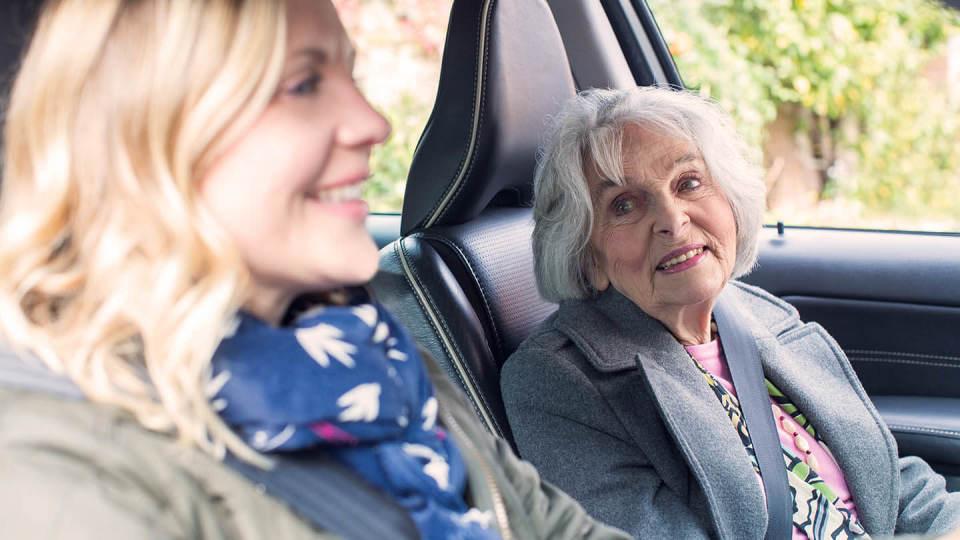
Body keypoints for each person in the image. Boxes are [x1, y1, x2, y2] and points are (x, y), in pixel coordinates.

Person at [0, 1, 631, 538]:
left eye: (350, 78)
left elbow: (548, 526)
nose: (372, 124)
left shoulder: (363, 348)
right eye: (304, 85)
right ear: (141, 138)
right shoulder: (53, 466)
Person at [500, 86, 960, 539]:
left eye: (689, 183)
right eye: (624, 204)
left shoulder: (757, 314)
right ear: (588, 255)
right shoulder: (557, 383)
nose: (672, 219)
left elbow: (890, 482)